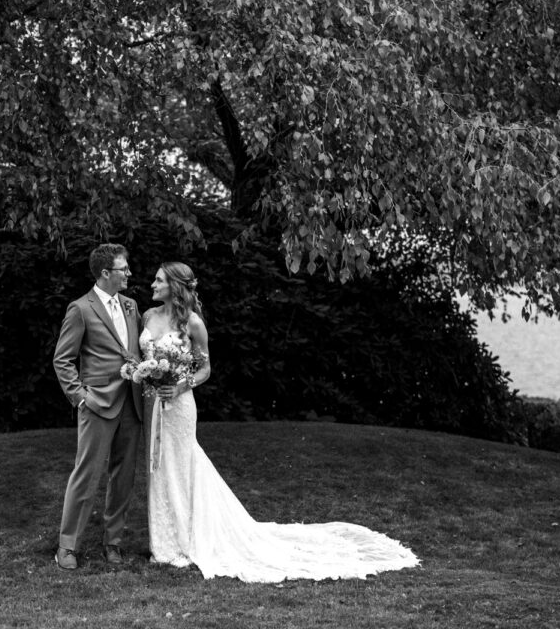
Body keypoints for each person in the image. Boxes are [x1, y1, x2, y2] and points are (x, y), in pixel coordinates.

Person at [139, 261, 420, 583]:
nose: (152, 284)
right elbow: (144, 359)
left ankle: (186, 541)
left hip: (179, 405)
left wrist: (180, 384)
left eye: (158, 280)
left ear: (174, 285)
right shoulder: (148, 317)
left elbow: (204, 369)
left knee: (182, 466)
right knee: (158, 467)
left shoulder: (193, 323)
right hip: (153, 405)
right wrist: (147, 376)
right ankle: (163, 542)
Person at [52, 243, 145, 570]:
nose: (129, 273)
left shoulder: (132, 305)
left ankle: (113, 543)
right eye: (123, 269)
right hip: (97, 403)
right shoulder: (80, 308)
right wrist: (80, 396)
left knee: (124, 476)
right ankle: (68, 546)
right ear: (106, 273)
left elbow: (132, 350)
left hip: (132, 403)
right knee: (87, 473)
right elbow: (62, 360)